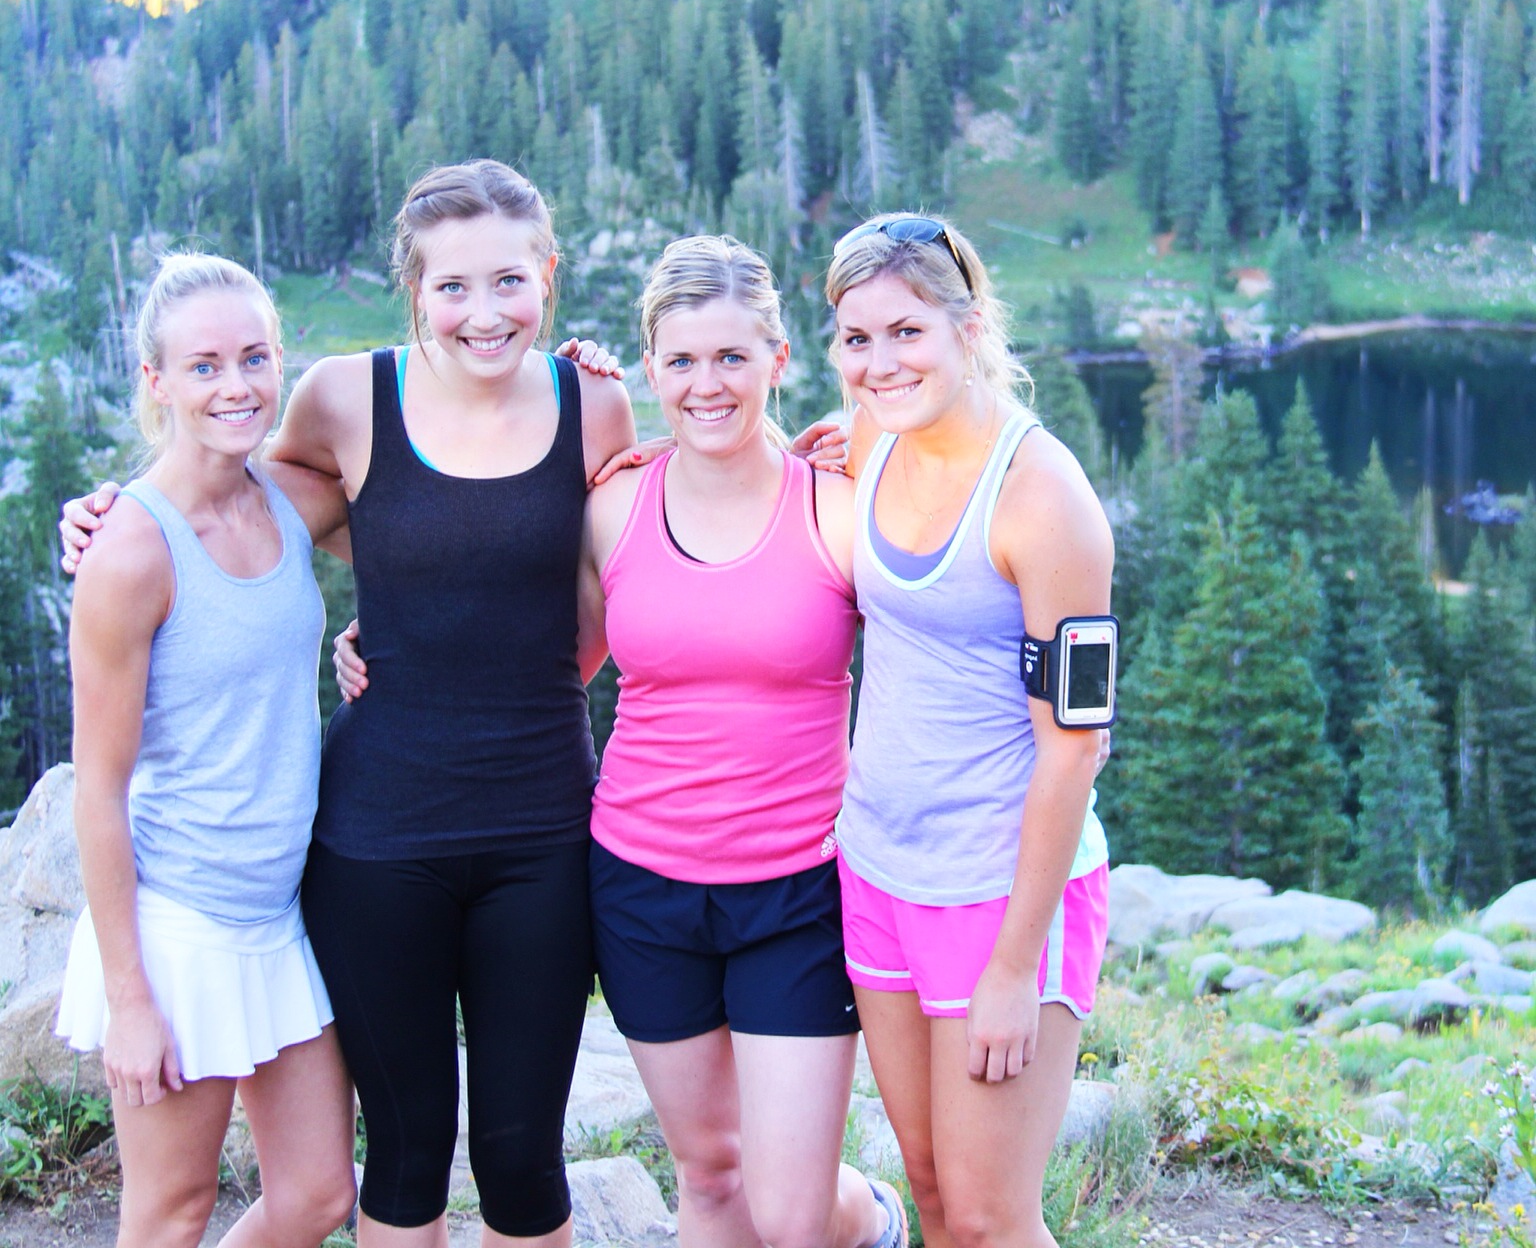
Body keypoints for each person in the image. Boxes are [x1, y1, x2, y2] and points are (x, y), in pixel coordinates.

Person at [60, 161, 638, 1248]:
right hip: (371, 842)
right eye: (452, 286)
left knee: (516, 1158)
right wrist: (107, 519)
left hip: (538, 833)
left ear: (549, 277)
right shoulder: (341, 398)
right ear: (412, 291)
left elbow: (638, 564)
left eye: (509, 281)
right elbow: (227, 498)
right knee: (404, 1158)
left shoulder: (593, 402)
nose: (483, 311)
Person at [336, 234, 906, 1248]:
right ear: (648, 369)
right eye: (682, 361)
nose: (707, 385)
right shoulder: (612, 505)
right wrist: (382, 648)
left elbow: (942, 631)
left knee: (792, 1209)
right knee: (710, 1170)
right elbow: (558, 648)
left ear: (779, 359)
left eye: (733, 357)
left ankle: (879, 1221)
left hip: (797, 888)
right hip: (643, 889)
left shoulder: (841, 509)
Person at [57, 253, 358, 1248]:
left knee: (317, 1197)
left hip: (277, 914)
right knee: (170, 1212)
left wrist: (581, 390)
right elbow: (96, 793)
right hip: (177, 925)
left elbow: (442, 500)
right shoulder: (131, 550)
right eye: (202, 367)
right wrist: (131, 999)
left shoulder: (286, 499)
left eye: (254, 357)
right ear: (155, 381)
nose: (235, 386)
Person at [825, 214, 1113, 1248]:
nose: (878, 363)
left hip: (999, 898)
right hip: (881, 875)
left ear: (969, 324)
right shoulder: (871, 439)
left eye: (906, 332)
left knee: (992, 1217)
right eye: (855, 339)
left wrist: (1014, 968)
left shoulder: (1046, 501)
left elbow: (1077, 743)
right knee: (936, 1195)